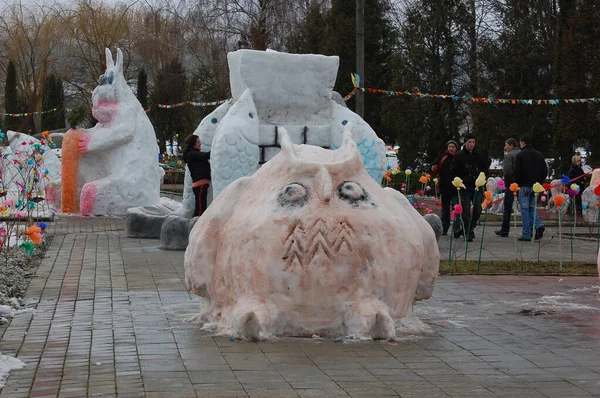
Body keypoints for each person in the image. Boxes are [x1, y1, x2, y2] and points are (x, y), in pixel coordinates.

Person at [449, 133, 487, 241]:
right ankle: (467, 232)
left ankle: (470, 228)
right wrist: (461, 180)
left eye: (473, 142)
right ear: (465, 142)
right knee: (465, 211)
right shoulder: (459, 156)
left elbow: (484, 168)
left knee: (477, 209)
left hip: (477, 186)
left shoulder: (478, 155)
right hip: (465, 187)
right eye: (470, 142)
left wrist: (481, 177)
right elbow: (453, 172)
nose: (472, 144)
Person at [513, 135, 547, 241]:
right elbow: (545, 171)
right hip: (535, 186)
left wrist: (517, 183)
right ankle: (538, 225)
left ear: (523, 142)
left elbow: (517, 171)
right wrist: (539, 182)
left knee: (524, 209)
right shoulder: (539, 155)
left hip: (524, 186)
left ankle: (527, 233)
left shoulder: (520, 155)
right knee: (532, 207)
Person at [431, 140, 459, 235]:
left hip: (456, 188)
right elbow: (434, 168)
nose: (451, 148)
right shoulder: (443, 157)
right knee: (445, 209)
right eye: (450, 146)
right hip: (444, 187)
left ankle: (456, 229)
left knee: (456, 208)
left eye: (453, 147)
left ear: (456, 149)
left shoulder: (459, 157)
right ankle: (445, 227)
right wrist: (433, 168)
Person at [495, 138, 520, 237]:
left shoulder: (509, 156)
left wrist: (508, 182)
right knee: (525, 206)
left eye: (506, 145)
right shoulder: (522, 153)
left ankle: (505, 229)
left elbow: (508, 171)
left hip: (511, 184)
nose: (505, 147)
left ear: (511, 145)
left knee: (507, 207)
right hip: (522, 183)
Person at [183, 134, 211, 217]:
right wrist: (217, 148)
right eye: (198, 142)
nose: (200, 144)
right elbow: (206, 155)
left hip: (201, 184)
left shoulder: (193, 154)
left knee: (200, 207)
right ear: (193, 143)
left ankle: (195, 225)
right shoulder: (192, 154)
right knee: (200, 209)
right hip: (200, 184)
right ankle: (195, 225)